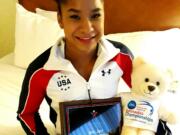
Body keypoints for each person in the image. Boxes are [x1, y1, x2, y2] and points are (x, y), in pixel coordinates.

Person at [16, 0, 134, 134]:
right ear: (60, 19)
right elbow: (26, 114)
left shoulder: (121, 56)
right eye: (75, 17)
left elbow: (148, 97)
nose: (87, 28)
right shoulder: (41, 69)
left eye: (95, 16)